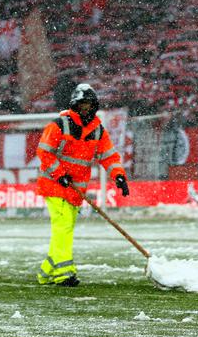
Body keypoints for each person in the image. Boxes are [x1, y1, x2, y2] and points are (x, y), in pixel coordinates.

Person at [36, 83, 129, 287]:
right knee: (63, 227)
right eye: (82, 105)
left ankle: (45, 271)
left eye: (89, 105)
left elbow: (109, 156)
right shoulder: (58, 125)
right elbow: (44, 152)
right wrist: (60, 175)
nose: (85, 109)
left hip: (76, 191)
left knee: (64, 229)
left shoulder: (98, 131)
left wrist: (119, 176)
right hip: (54, 185)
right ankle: (64, 273)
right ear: (74, 105)